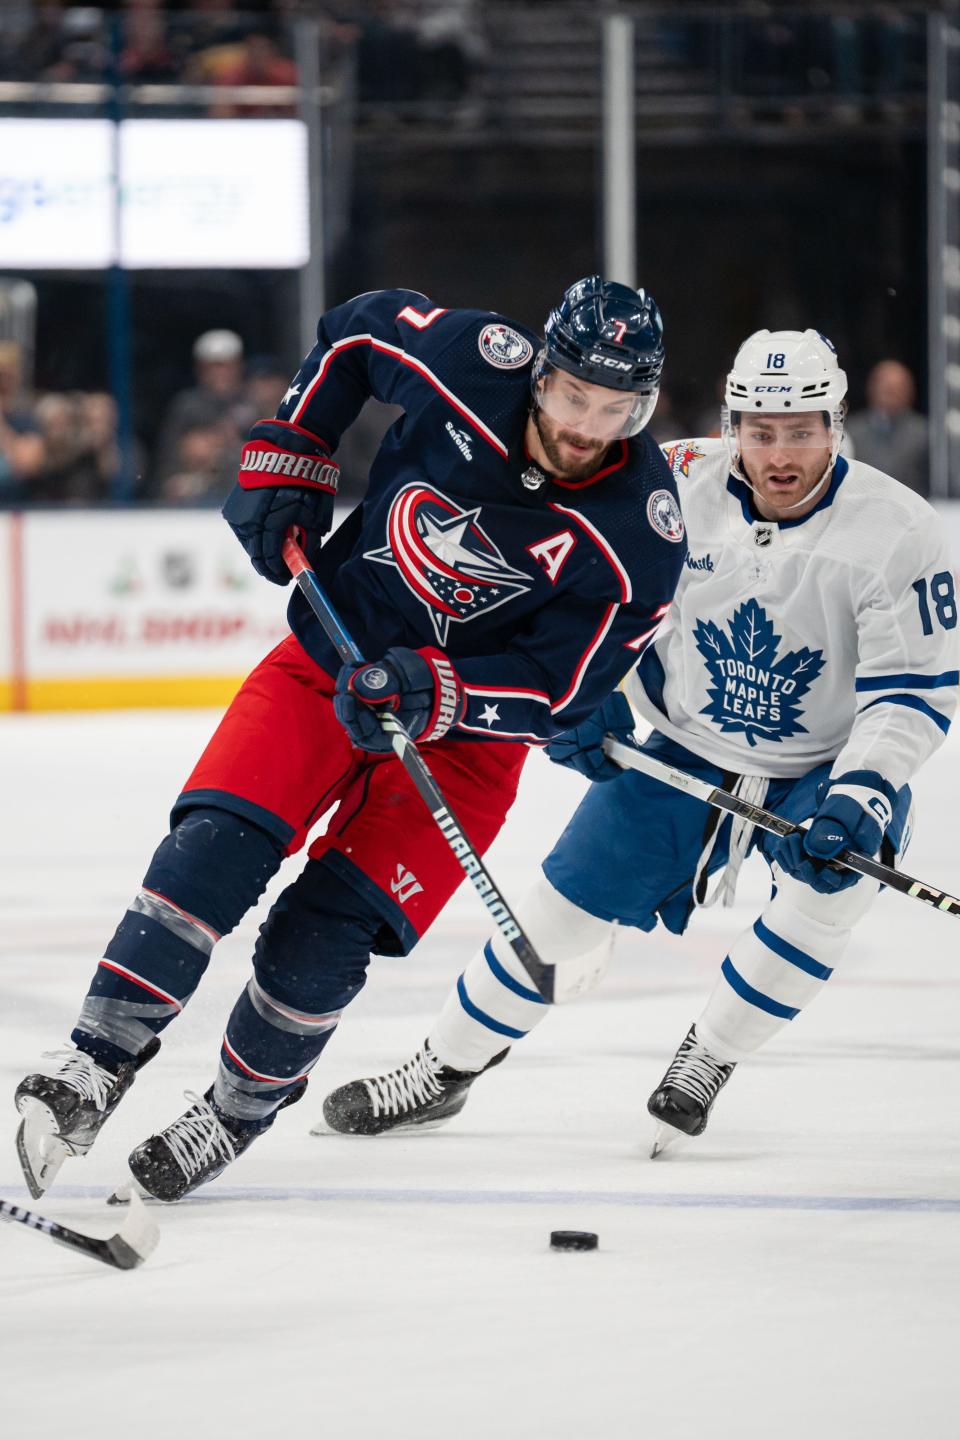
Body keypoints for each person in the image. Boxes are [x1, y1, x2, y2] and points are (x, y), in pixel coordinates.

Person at [14, 277, 684, 1201]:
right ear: (542, 371)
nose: (587, 425)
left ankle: (235, 1113)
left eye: (618, 409)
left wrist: (439, 689)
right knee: (211, 850)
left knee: (321, 938)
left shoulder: (641, 528)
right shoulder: (472, 360)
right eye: (575, 395)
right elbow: (355, 334)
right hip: (332, 652)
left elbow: (563, 689)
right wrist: (293, 451)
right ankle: (94, 1063)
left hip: (462, 744)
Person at [320, 327, 959, 1155]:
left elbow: (909, 691)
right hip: (681, 743)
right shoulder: (670, 484)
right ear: (732, 426)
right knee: (557, 914)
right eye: (762, 431)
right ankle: (443, 1070)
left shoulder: (899, 531)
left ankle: (709, 1056)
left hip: (824, 767)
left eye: (802, 429)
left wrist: (862, 793)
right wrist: (587, 700)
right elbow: (592, 595)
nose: (781, 452)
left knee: (825, 899)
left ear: (837, 425)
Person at [845, 358, 928, 495]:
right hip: (863, 508)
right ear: (871, 388)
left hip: (912, 508)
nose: (891, 394)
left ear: (910, 392)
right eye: (886, 388)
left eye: (897, 389)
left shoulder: (924, 433)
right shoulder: (851, 431)